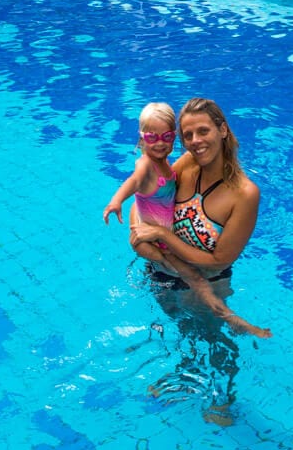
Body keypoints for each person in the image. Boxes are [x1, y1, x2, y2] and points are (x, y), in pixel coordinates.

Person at [104, 100, 270, 338]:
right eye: (188, 135)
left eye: (203, 131)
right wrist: (137, 229)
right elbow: (147, 197)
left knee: (210, 347)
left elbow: (219, 260)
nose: (195, 141)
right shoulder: (188, 164)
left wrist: (161, 235)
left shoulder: (245, 194)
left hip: (205, 287)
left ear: (222, 130)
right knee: (173, 338)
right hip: (159, 274)